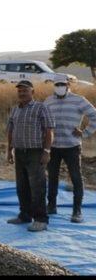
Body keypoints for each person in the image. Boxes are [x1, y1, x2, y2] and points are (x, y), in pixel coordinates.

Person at [44, 76, 96, 223]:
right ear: (54, 85)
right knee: (52, 177)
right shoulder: (48, 101)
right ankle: (51, 206)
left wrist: (85, 132)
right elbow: (43, 120)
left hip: (71, 146)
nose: (59, 86)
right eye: (57, 84)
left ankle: (77, 211)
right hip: (53, 147)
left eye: (62, 84)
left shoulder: (79, 100)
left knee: (76, 178)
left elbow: (94, 115)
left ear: (67, 85)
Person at [6, 80, 55, 232]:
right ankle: (25, 215)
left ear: (32, 92)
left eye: (25, 90)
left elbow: (49, 131)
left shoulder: (41, 108)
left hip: (36, 153)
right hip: (20, 152)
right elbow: (10, 131)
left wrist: (47, 151)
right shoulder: (15, 110)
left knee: (37, 186)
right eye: (19, 91)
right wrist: (9, 151)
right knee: (22, 186)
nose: (22, 93)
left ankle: (41, 219)